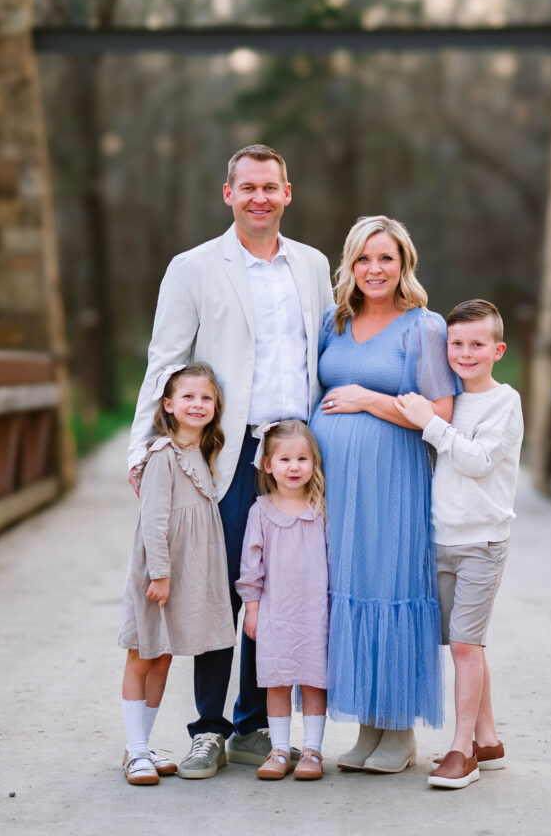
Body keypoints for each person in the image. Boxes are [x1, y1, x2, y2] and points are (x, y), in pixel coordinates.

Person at [128, 145, 333, 779]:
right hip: (224, 451)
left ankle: (253, 725)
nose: (259, 198)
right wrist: (143, 448)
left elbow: (326, 351)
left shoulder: (312, 265)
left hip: (292, 453)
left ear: (287, 193)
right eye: (247, 188)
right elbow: (165, 361)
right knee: (217, 591)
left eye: (270, 187)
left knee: (278, 589)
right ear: (229, 194)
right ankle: (208, 728)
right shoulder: (193, 267)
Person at [309, 215, 461, 774]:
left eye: (386, 259)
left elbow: (441, 412)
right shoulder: (334, 322)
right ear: (350, 265)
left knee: (390, 586)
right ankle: (368, 725)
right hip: (336, 484)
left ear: (404, 265)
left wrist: (368, 400)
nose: (375, 269)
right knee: (350, 589)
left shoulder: (424, 327)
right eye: (364, 259)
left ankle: (399, 730)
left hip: (393, 480)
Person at [395, 298, 524, 789]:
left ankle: (461, 751)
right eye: (456, 344)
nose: (465, 354)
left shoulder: (504, 402)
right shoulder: (446, 398)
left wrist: (429, 423)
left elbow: (477, 461)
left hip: (481, 542)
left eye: (477, 345)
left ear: (497, 350)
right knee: (466, 644)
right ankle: (487, 741)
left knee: (466, 646)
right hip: (439, 538)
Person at [118, 362, 236, 785]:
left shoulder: (203, 453)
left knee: (163, 657)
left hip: (182, 573)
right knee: (142, 653)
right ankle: (135, 751)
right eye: (188, 396)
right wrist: (161, 574)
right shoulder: (162, 455)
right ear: (168, 405)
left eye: (206, 397)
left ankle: (142, 745)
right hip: (158, 571)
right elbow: (154, 520)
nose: (198, 404)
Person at [236, 420, 328, 781]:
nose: (294, 467)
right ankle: (278, 749)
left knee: (313, 679)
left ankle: (312, 750)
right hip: (277, 612)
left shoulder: (320, 508)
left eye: (302, 459)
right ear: (268, 464)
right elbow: (251, 565)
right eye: (285, 459)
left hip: (315, 611)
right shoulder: (261, 510)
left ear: (314, 463)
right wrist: (252, 609)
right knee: (278, 680)